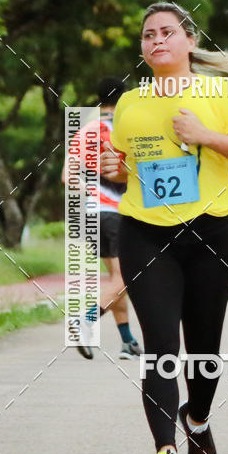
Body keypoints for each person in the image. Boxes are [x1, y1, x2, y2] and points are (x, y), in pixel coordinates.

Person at [100, 1, 228, 454]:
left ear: (190, 41)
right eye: (148, 34)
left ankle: (196, 419)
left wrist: (205, 136)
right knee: (160, 345)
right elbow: (129, 167)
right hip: (145, 232)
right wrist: (116, 170)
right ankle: (164, 452)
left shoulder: (222, 92)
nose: (157, 40)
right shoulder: (130, 102)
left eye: (167, 32)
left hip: (209, 234)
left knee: (203, 348)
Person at [61, 77, 142, 361]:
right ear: (123, 98)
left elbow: (67, 177)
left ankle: (128, 342)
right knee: (129, 278)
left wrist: (91, 190)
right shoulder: (125, 129)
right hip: (121, 213)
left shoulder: (85, 131)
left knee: (116, 279)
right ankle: (85, 320)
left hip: (93, 215)